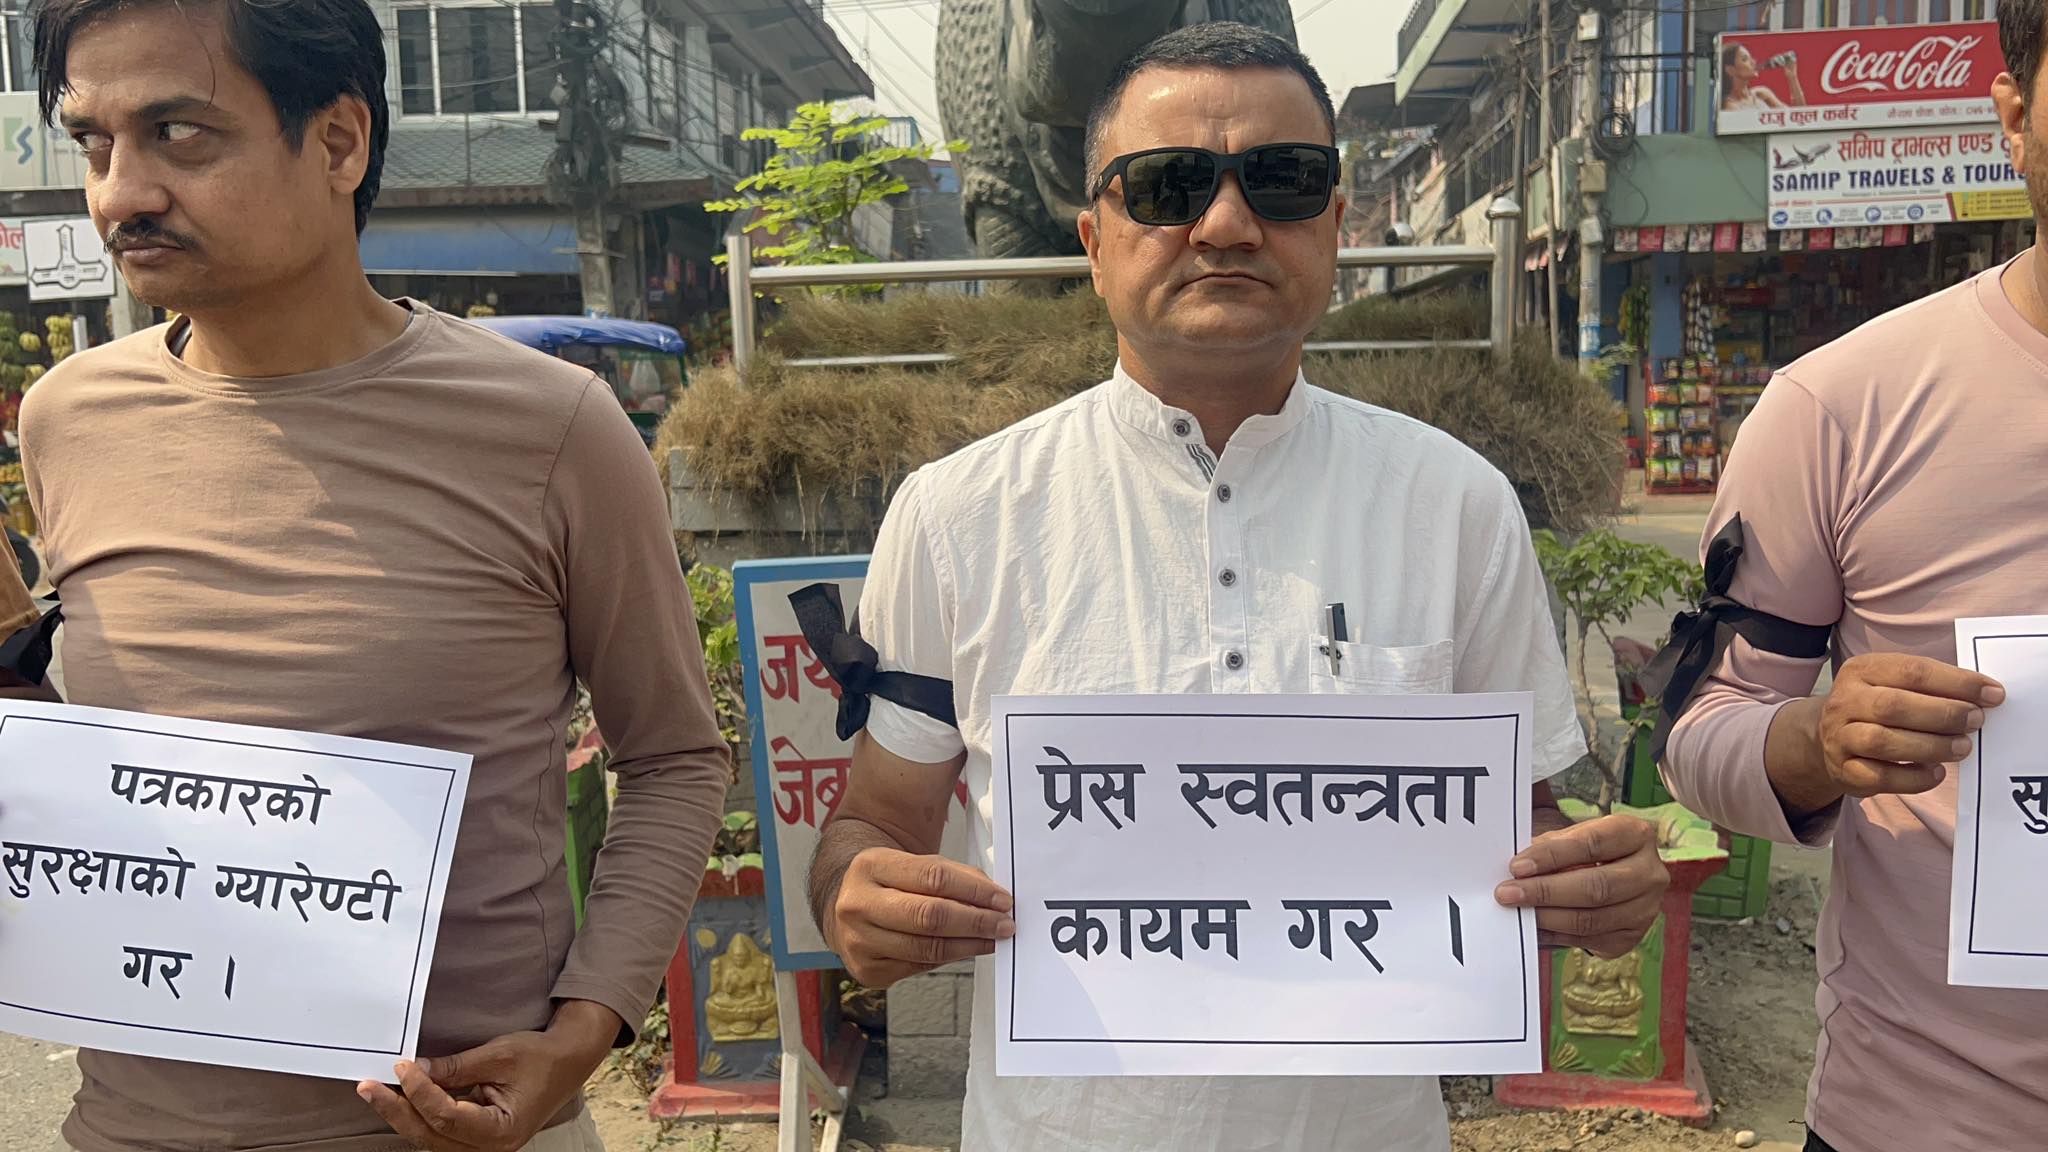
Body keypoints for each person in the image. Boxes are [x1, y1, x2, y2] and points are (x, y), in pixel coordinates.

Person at [807, 23, 1669, 1152]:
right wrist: (855, 898)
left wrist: (1590, 886)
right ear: (1093, 239)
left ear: (1337, 225)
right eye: (1167, 186)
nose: (1223, 223)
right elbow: (875, 821)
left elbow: (1523, 826)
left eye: (1282, 180)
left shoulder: (1455, 506)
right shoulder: (958, 515)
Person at [14, 2, 730, 1149]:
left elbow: (674, 757)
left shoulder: (551, 430)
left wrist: (586, 1029)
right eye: (95, 143)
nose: (121, 194)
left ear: (338, 141)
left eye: (179, 134)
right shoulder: (67, 421)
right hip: (131, 1128)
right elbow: (102, 782)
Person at [1660, 6, 2048, 1150]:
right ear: (2014, 113)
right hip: (1929, 1117)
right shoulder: (1839, 409)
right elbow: (1697, 726)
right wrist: (1817, 742)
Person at [1721, 43, 1805, 112]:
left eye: (1751, 58)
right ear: (1730, 70)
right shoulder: (1730, 107)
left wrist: (1792, 77)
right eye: (1745, 59)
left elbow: (1800, 115)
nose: (1753, 62)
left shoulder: (1761, 94)